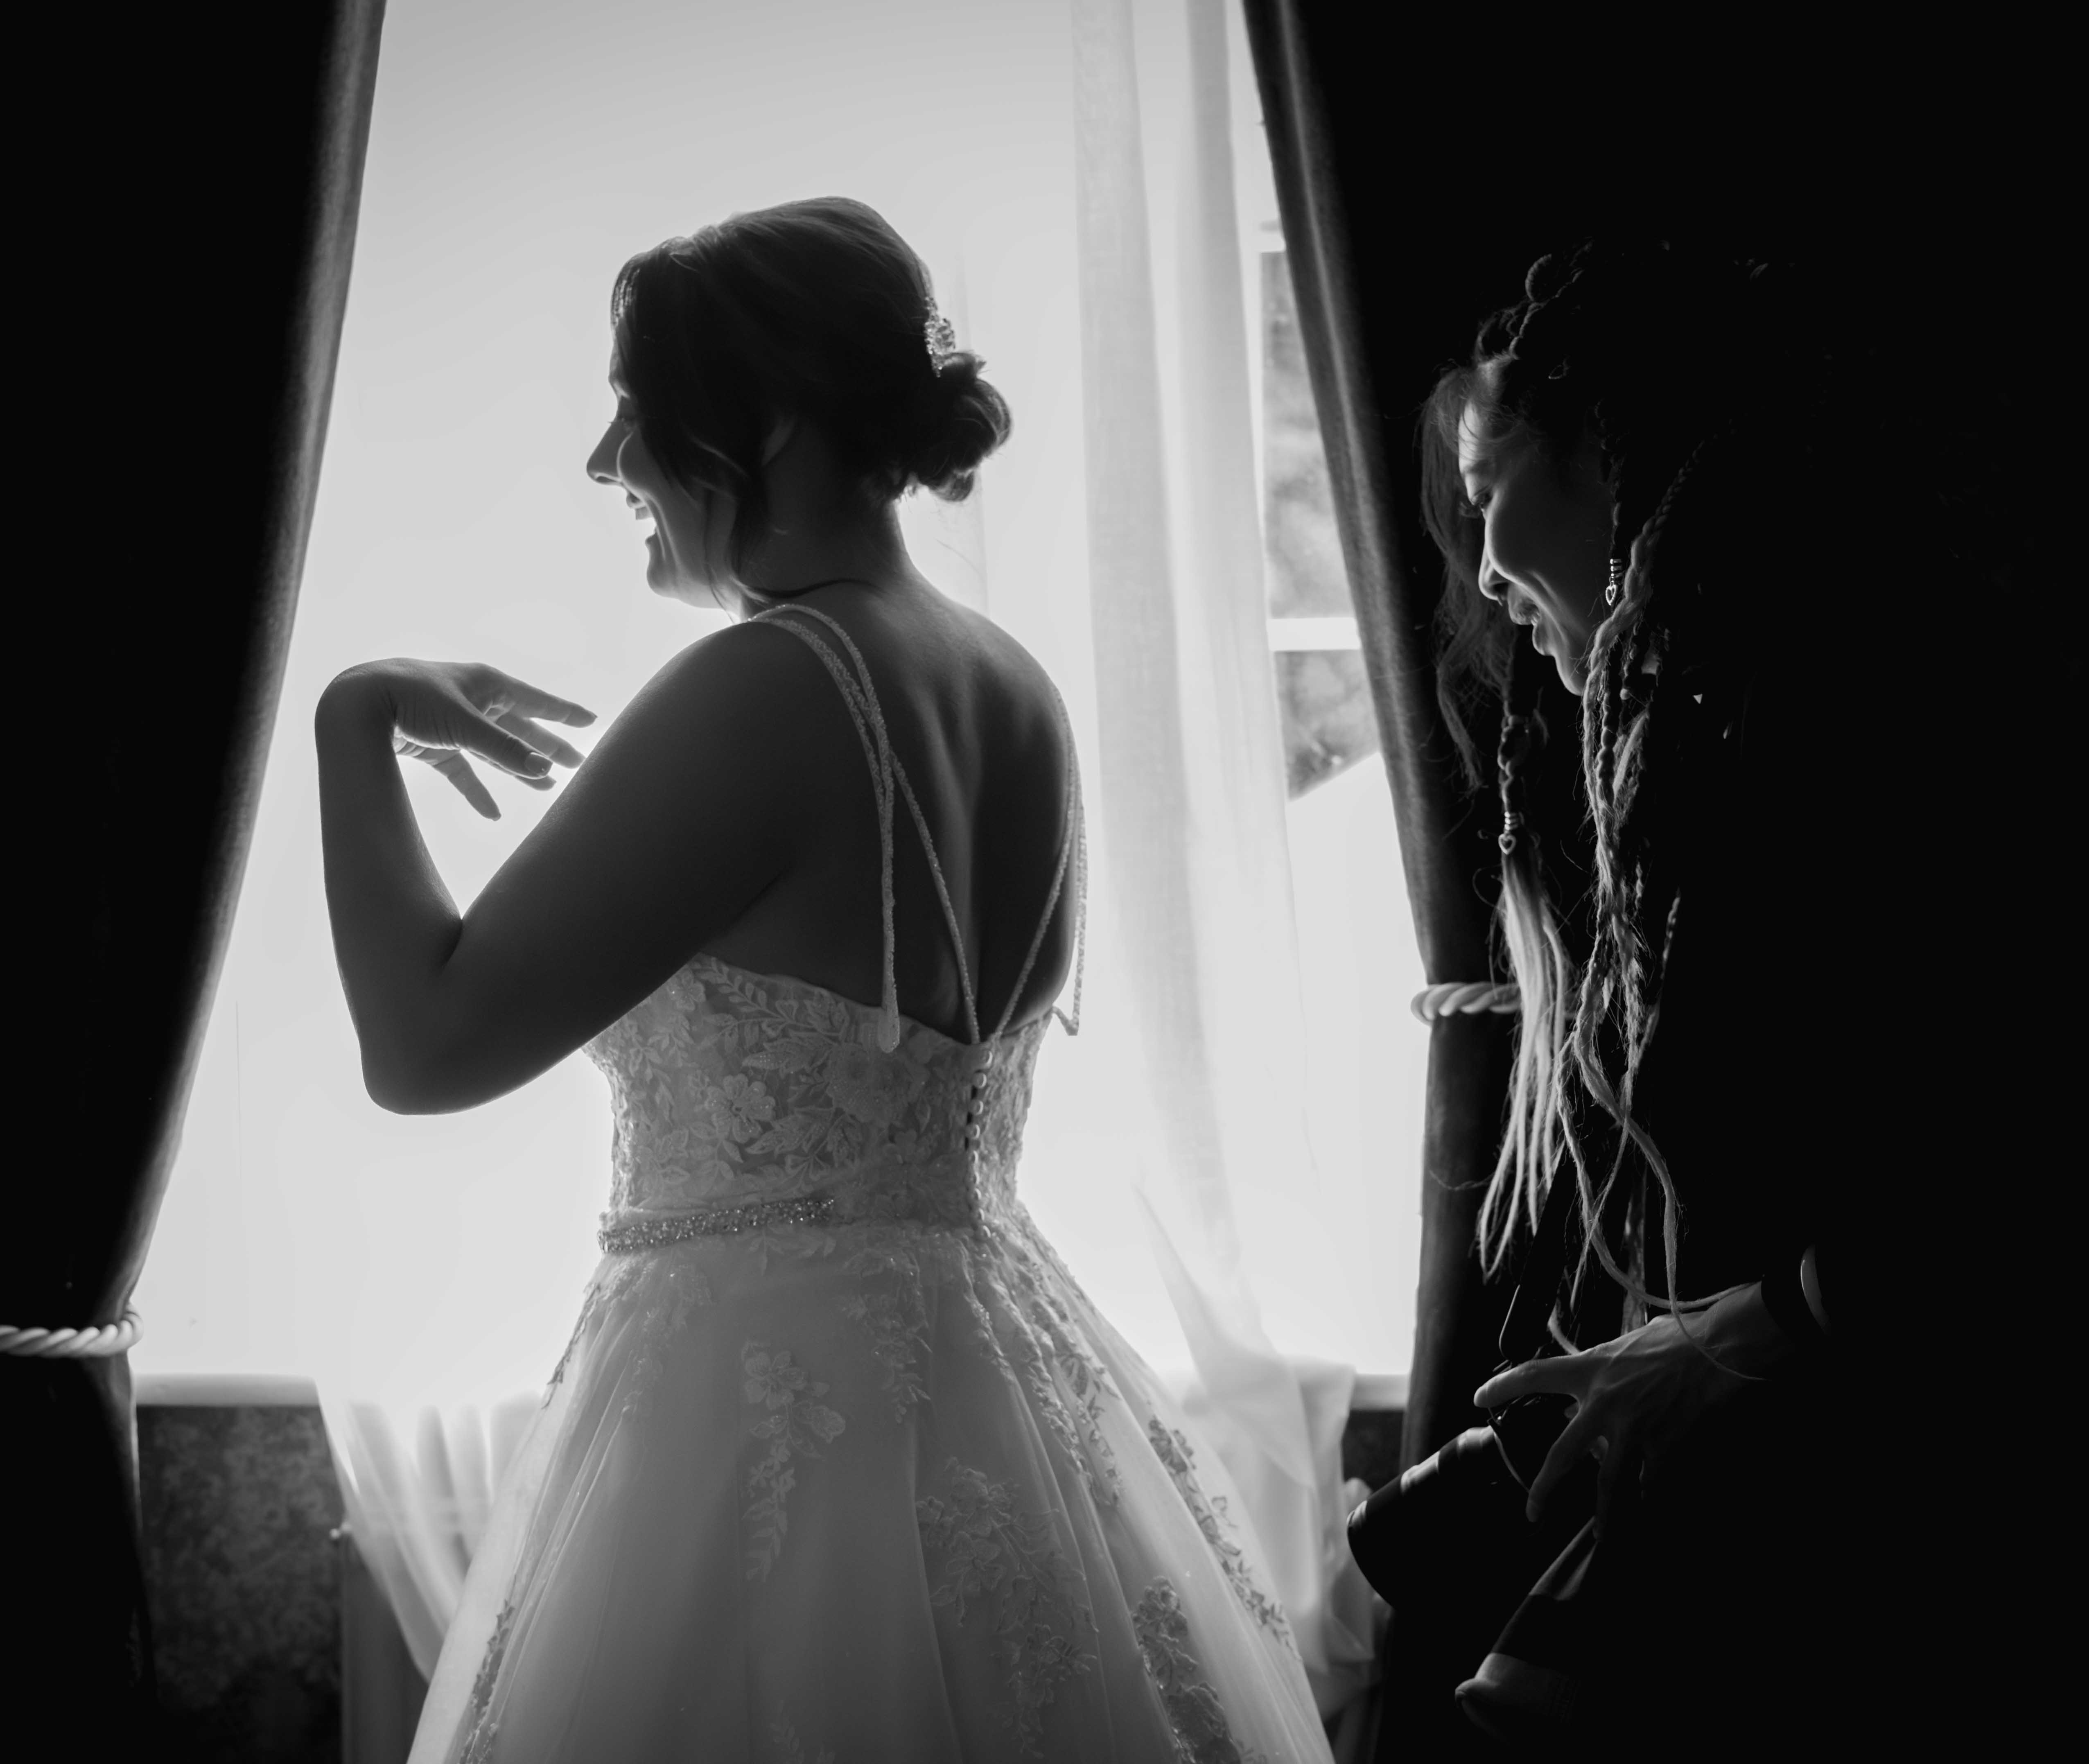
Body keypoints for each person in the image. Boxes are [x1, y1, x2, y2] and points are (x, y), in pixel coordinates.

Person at [314, 196, 1332, 1764]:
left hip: (754, 1416)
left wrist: (356, 721)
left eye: (636, 413)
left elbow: (428, 1043)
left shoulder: (768, 685)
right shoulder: (1014, 689)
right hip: (1000, 1379)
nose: (609, 465)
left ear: (772, 420)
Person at [1405, 239, 1963, 1748]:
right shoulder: (1686, 732)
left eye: (1489, 467)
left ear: (1610, 448)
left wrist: (1748, 1331)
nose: (1475, 542)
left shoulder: (1839, 724)